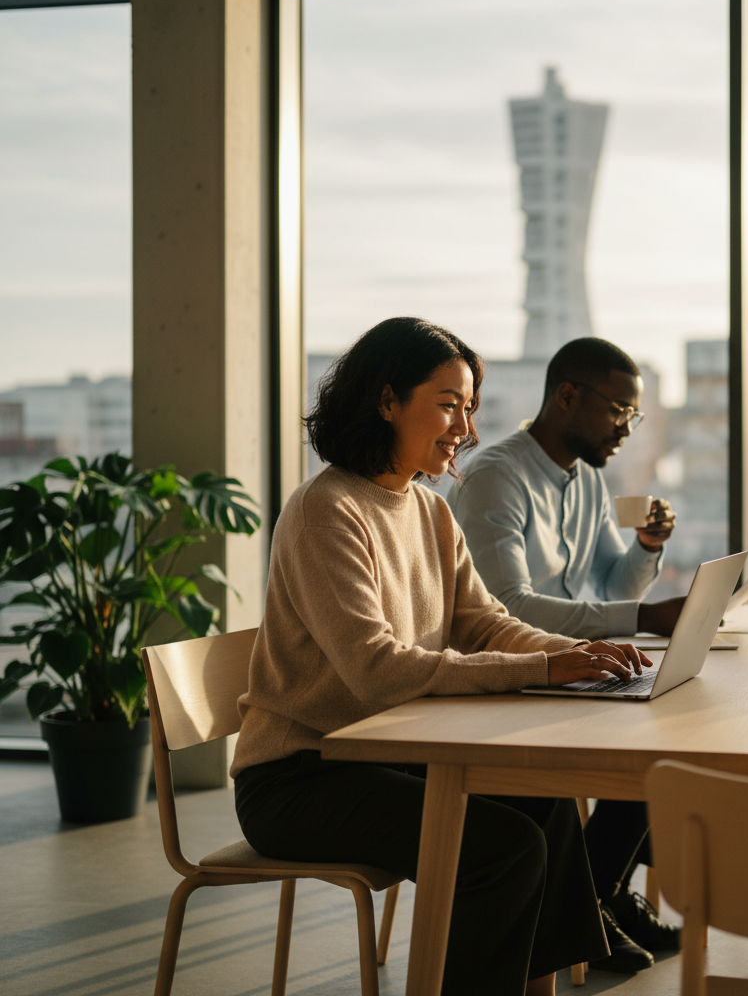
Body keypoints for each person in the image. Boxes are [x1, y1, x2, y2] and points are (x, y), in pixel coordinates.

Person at [231, 318, 648, 996]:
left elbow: (485, 622)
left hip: (386, 755)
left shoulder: (429, 511)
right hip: (300, 777)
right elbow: (376, 669)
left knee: (543, 807)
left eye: (471, 408)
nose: (466, 429)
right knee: (503, 850)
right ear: (386, 400)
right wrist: (544, 668)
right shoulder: (326, 511)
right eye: (450, 404)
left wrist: (578, 654)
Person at [447, 337, 683, 973]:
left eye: (634, 417)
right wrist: (645, 617)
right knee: (647, 745)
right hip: (510, 677)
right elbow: (507, 611)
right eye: (618, 412)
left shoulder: (585, 482)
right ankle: (596, 903)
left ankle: (599, 897)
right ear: (567, 396)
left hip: (570, 665)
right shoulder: (497, 477)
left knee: (664, 727)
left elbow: (611, 583)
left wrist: (647, 550)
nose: (627, 430)